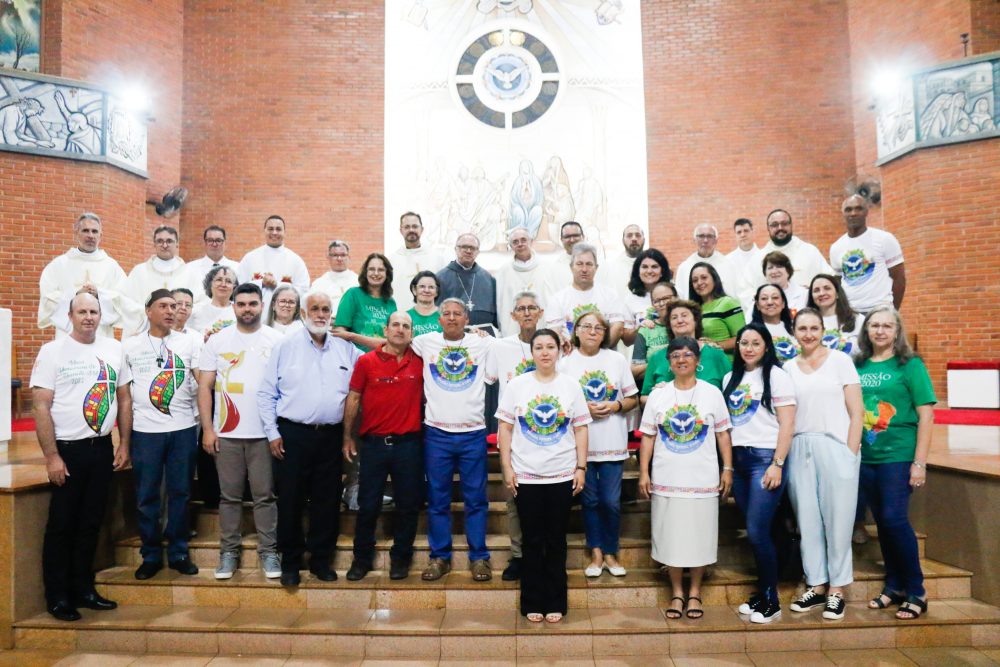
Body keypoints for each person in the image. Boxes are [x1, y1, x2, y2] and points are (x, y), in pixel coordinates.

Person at [31, 292, 132, 621]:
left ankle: (84, 589)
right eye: (82, 311)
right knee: (62, 526)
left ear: (101, 315)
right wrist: (52, 457)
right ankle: (58, 596)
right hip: (68, 451)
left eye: (93, 311)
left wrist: (124, 443)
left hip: (101, 448)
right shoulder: (52, 351)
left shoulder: (114, 349)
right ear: (71, 315)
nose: (88, 317)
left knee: (91, 523)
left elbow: (125, 399)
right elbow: (41, 405)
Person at [257, 290, 362, 587]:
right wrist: (272, 433)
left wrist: (348, 435)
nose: (320, 314)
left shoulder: (345, 349)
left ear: (331, 315)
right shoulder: (285, 346)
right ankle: (290, 562)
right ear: (303, 314)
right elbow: (266, 393)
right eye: (314, 308)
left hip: (330, 436)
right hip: (293, 434)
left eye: (325, 309)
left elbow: (363, 381)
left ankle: (320, 561)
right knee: (289, 499)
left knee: (327, 501)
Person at [497, 328, 591, 623]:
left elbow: (580, 428)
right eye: (539, 347)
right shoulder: (517, 385)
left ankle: (556, 601)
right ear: (532, 352)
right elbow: (506, 429)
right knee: (531, 540)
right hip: (526, 475)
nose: (545, 352)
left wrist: (581, 467)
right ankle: (531, 602)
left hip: (561, 474)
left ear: (559, 351)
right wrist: (508, 469)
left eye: (551, 346)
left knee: (556, 540)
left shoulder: (570, 386)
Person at [638, 336, 733, 621]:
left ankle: (695, 592)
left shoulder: (711, 393)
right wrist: (644, 471)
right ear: (669, 362)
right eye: (675, 355)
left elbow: (722, 434)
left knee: (699, 537)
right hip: (667, 476)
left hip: (702, 477)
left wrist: (727, 468)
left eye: (687, 355)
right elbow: (648, 437)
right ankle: (677, 592)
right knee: (672, 538)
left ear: (697, 360)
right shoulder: (659, 394)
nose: (681, 359)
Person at [198, 283, 283, 580]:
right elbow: (205, 387)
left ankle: (269, 552)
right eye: (242, 304)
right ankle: (229, 552)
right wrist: (208, 429)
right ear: (233, 306)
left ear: (262, 305)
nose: (247, 309)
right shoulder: (217, 341)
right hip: (227, 432)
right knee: (229, 497)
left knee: (265, 496)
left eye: (253, 303)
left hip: (263, 434)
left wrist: (278, 431)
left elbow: (283, 386)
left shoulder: (276, 339)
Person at [856, 306, 935, 620]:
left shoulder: (910, 364)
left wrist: (920, 463)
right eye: (874, 325)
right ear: (866, 331)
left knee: (893, 519)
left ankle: (917, 589)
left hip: (898, 455)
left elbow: (926, 415)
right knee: (882, 523)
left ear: (897, 331)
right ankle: (894, 585)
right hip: (866, 456)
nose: (879, 331)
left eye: (887, 326)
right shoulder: (858, 364)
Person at [785, 308, 863, 621]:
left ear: (822, 329)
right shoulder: (788, 367)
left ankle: (837, 590)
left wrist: (850, 452)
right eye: (802, 328)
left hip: (836, 446)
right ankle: (816, 585)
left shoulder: (840, 361)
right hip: (801, 446)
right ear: (794, 331)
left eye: (814, 327)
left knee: (839, 521)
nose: (808, 334)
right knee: (808, 520)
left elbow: (857, 411)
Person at [411, 299, 498, 582]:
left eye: (457, 314)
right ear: (439, 319)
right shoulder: (425, 342)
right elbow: (392, 341)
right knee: (437, 500)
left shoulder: (483, 345)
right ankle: (439, 557)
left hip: (473, 433)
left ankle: (479, 558)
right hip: (437, 433)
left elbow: (516, 346)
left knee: (476, 500)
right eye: (446, 314)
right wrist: (349, 335)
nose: (451, 318)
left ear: (466, 318)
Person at [122, 289, 201, 580]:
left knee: (180, 493)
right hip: (146, 432)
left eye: (174, 306)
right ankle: (151, 554)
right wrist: (125, 440)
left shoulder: (190, 341)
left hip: (182, 428)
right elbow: (124, 397)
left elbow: (202, 384)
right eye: (163, 306)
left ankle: (179, 552)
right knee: (147, 496)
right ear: (148, 311)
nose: (171, 311)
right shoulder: (129, 346)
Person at [342, 312, 425, 581]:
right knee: (367, 504)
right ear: (385, 330)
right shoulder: (366, 362)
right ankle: (361, 559)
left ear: (411, 332)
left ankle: (401, 558)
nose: (401, 330)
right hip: (374, 444)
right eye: (396, 325)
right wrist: (347, 436)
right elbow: (353, 399)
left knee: (408, 505)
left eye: (406, 326)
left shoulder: (421, 362)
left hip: (409, 445)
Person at [723, 323, 796, 624]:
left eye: (755, 342)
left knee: (756, 531)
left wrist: (777, 464)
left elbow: (788, 425)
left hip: (765, 459)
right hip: (739, 462)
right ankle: (763, 591)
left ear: (766, 346)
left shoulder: (778, 377)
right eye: (743, 342)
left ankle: (771, 601)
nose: (749, 348)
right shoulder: (731, 377)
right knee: (760, 532)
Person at [560, 312, 638, 578]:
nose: (592, 331)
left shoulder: (616, 360)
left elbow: (632, 399)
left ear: (605, 333)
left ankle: (610, 551)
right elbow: (558, 402)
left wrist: (615, 405)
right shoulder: (565, 362)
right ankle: (595, 551)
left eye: (598, 328)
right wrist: (583, 411)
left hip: (612, 442)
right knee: (590, 501)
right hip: (581, 446)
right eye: (586, 327)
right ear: (576, 331)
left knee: (611, 502)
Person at [491, 290, 544, 581]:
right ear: (512, 316)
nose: (526, 313)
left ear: (541, 312)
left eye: (532, 308)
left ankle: (543, 553)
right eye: (521, 308)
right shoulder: (500, 347)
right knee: (514, 502)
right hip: (513, 437)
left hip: (547, 438)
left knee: (547, 503)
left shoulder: (554, 344)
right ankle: (519, 556)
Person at [38, 212, 137, 339]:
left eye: (94, 231)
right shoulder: (59, 265)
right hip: (68, 336)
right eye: (85, 230)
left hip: (101, 335)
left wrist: (99, 294)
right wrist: (76, 294)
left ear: (100, 236)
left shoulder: (111, 266)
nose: (90, 235)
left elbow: (125, 300)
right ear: (76, 233)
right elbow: (48, 300)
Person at [830, 195, 906, 313]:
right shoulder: (836, 247)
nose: (853, 213)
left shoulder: (884, 239)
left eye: (858, 208)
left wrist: (893, 311)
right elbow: (838, 284)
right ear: (843, 214)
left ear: (866, 212)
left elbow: (899, 278)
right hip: (851, 313)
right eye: (848, 210)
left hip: (880, 309)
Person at [641, 300, 732, 398]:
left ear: (695, 320)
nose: (680, 320)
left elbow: (732, 391)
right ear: (669, 324)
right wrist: (657, 395)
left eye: (684, 315)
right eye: (674, 317)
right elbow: (643, 397)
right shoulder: (657, 357)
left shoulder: (716, 355)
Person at [546, 243, 625, 347]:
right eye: (579, 264)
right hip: (570, 358)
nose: (584, 269)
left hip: (604, 356)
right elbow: (554, 331)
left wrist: (597, 352)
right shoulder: (558, 299)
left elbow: (617, 327)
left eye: (589, 264)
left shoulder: (610, 295)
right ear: (571, 267)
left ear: (596, 267)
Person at [237, 215, 310, 312]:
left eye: (278, 229)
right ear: (264, 231)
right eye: (270, 229)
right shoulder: (250, 258)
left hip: (285, 316)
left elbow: (304, 291)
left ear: (284, 232)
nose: (274, 232)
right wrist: (260, 283)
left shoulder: (296, 260)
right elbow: (239, 287)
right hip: (255, 314)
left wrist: (278, 285)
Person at [124, 226, 188, 332]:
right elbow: (126, 302)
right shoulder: (139, 271)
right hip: (146, 333)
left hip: (179, 335)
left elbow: (199, 305)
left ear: (177, 244)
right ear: (154, 244)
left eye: (169, 241)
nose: (164, 245)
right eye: (160, 241)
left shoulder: (188, 272)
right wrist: (151, 314)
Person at [496, 228, 555, 337]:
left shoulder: (547, 267)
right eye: (515, 242)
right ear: (511, 246)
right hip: (513, 329)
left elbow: (553, 299)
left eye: (523, 240)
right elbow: (501, 304)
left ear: (531, 241)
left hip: (542, 326)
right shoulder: (503, 271)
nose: (520, 244)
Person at [334, 252, 397, 351]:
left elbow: (393, 337)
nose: (376, 273)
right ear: (365, 272)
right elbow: (339, 331)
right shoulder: (353, 294)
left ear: (387, 274)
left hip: (384, 359)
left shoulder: (390, 302)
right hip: (357, 359)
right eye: (371, 269)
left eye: (380, 270)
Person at [757, 209, 832, 288]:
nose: (780, 228)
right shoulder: (759, 257)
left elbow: (829, 279)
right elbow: (747, 290)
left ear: (791, 225)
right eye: (774, 225)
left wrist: (810, 290)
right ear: (768, 228)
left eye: (784, 223)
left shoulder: (810, 251)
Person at [436, 233, 498, 329]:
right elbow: (436, 313)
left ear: (478, 252)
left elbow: (496, 311)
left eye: (473, 248)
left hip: (485, 335)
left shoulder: (488, 278)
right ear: (456, 249)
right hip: (453, 335)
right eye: (464, 247)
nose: (468, 251)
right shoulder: (440, 278)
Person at [388, 211, 446, 311]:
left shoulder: (437, 258)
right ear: (401, 230)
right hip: (401, 317)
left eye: (415, 226)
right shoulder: (391, 260)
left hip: (431, 318)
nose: (411, 230)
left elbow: (442, 289)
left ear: (422, 229)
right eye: (407, 227)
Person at [688, 262, 745, 356]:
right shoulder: (693, 309)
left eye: (704, 277)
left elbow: (742, 338)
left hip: (725, 364)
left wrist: (716, 345)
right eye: (694, 280)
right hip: (703, 364)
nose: (699, 283)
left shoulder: (728, 303)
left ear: (714, 278)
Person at [621, 249, 673, 346]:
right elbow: (626, 341)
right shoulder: (630, 299)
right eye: (644, 267)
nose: (649, 271)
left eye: (654, 267)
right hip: (643, 356)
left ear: (662, 271)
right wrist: (641, 327)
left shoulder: (676, 293)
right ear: (638, 271)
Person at [630, 282, 678, 384]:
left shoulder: (685, 325)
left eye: (666, 298)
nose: (661, 304)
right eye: (656, 301)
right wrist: (660, 360)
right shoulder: (646, 329)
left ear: (677, 298)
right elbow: (634, 372)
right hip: (655, 388)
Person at [675, 224, 737, 301]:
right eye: (701, 236)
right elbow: (680, 297)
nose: (705, 240)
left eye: (710, 236)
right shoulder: (684, 267)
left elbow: (734, 293)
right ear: (694, 240)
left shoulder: (728, 265)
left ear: (716, 240)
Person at [807, 274, 862, 358]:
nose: (821, 293)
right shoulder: (806, 322)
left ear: (837, 293)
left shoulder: (858, 319)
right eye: (816, 290)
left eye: (827, 288)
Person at [182, 225, 239, 304]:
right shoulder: (189, 268)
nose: (214, 244)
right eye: (210, 240)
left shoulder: (237, 268)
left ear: (224, 242)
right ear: (205, 243)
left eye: (218, 240)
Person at [750, 284, 799, 362]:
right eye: (764, 298)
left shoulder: (795, 327)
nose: (770, 302)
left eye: (775, 297)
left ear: (783, 303)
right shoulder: (751, 332)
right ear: (757, 305)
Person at [312, 240, 359, 315]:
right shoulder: (319, 284)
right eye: (335, 255)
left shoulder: (358, 281)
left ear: (349, 257)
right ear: (328, 257)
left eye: (343, 255)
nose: (339, 259)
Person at [602, 224, 648, 300]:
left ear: (644, 240)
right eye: (629, 235)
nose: (634, 239)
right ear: (623, 240)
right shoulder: (612, 268)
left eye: (638, 235)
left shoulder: (654, 265)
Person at [189, 266, 237, 338]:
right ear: (210, 284)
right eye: (219, 280)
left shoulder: (240, 310)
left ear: (234, 287)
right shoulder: (196, 311)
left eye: (228, 281)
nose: (223, 284)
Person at [546, 221, 588, 292]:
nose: (572, 240)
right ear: (561, 240)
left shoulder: (597, 263)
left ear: (583, 237)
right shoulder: (554, 269)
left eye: (575, 235)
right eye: (567, 237)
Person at [727, 218, 762, 301]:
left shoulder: (764, 256)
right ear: (735, 235)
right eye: (739, 232)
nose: (743, 235)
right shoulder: (728, 260)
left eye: (746, 231)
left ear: (752, 232)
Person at [407, 270, 443, 337]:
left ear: (437, 292)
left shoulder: (445, 315)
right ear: (414, 290)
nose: (426, 290)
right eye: (422, 286)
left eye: (431, 287)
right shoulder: (406, 317)